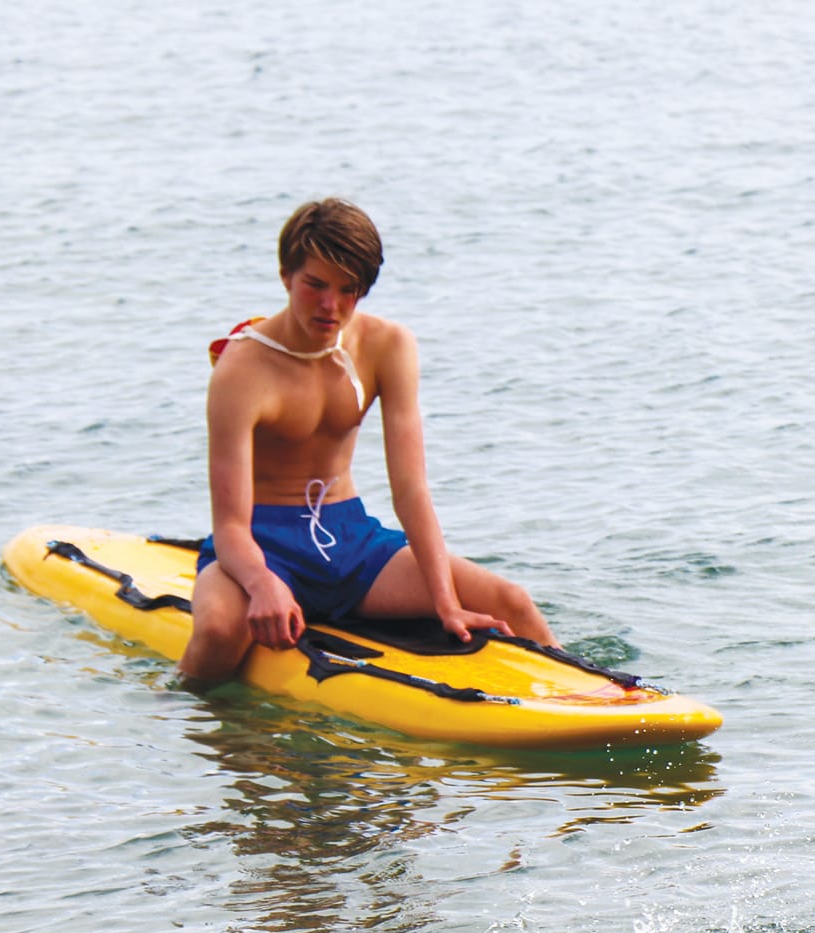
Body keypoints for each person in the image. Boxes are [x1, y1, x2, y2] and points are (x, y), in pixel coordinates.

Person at [178, 198, 558, 687]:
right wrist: (262, 583)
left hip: (350, 541)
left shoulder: (387, 346)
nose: (330, 306)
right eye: (315, 284)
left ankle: (598, 698)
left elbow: (411, 489)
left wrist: (446, 603)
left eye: (348, 290)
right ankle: (181, 713)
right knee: (218, 629)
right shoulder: (241, 370)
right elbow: (230, 524)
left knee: (512, 602)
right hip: (261, 543)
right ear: (286, 275)